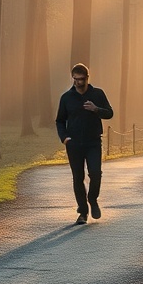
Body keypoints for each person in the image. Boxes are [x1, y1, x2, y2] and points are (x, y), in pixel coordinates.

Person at [55, 63, 114, 225]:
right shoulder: (66, 98)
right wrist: (65, 138)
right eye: (75, 79)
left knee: (95, 173)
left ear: (87, 78)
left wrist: (96, 109)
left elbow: (109, 113)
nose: (78, 83)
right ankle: (82, 212)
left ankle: (92, 199)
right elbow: (60, 121)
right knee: (78, 177)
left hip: (93, 142)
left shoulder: (97, 94)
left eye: (81, 80)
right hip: (74, 144)